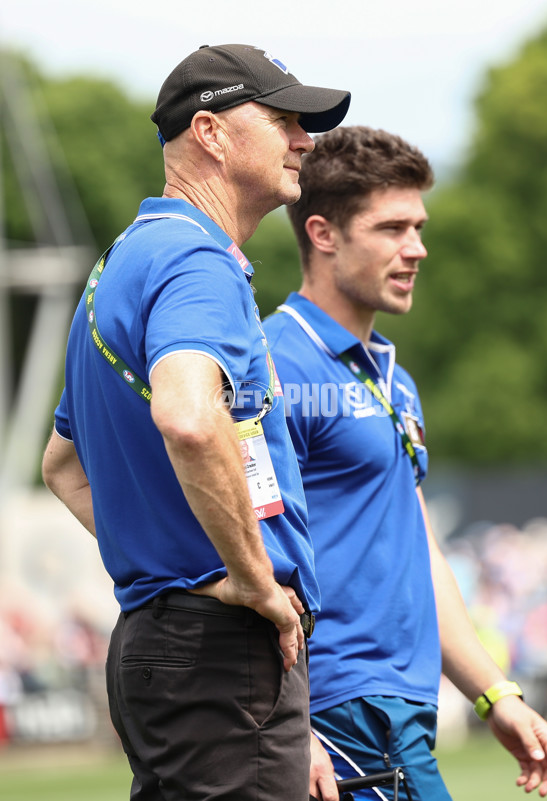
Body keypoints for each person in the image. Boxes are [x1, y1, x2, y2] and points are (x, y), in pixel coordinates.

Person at [41, 44, 350, 801]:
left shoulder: (123, 261)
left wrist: (173, 558)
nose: (305, 140)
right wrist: (247, 579)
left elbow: (63, 465)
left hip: (166, 642)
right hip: (219, 647)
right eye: (283, 120)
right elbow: (187, 416)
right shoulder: (196, 258)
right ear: (211, 133)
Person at [263, 126, 547, 801]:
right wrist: (286, 722)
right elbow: (243, 549)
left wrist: (494, 695)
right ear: (324, 232)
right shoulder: (272, 363)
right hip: (341, 712)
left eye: (418, 226)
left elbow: (422, 552)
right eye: (393, 228)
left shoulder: (392, 377)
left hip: (402, 709)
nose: (416, 248)